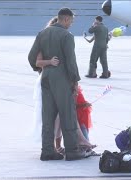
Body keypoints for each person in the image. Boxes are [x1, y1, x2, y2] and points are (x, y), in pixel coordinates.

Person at [28, 8, 87, 161]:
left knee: (47, 116)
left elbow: (31, 57)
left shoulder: (43, 33)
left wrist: (41, 70)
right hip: (62, 79)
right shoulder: (66, 36)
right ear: (66, 19)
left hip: (46, 77)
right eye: (71, 21)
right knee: (67, 114)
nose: (71, 24)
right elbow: (70, 62)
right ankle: (72, 151)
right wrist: (75, 82)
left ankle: (47, 151)